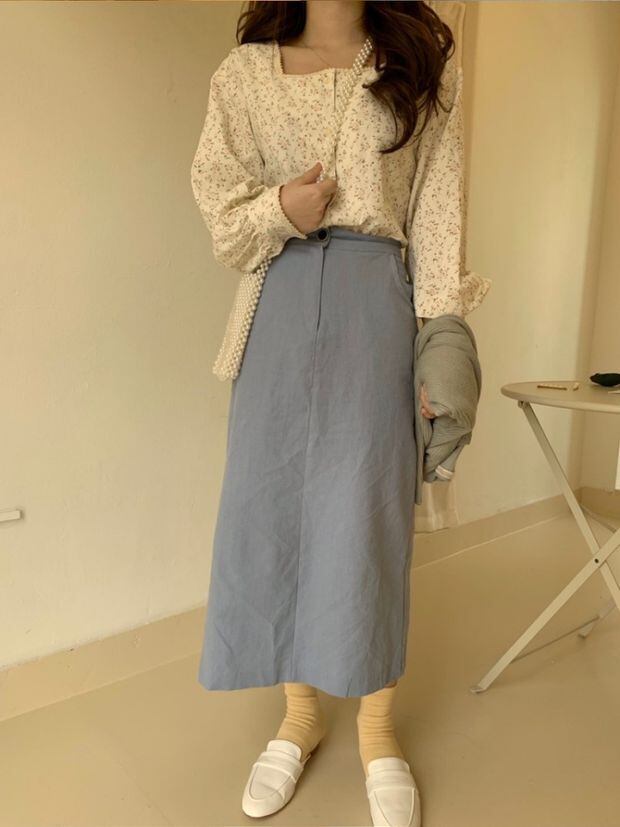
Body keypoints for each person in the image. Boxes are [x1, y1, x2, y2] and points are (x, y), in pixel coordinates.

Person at [190, 2, 491, 825]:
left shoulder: (420, 65)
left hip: (374, 306)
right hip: (275, 307)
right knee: (272, 511)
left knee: (365, 516)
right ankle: (299, 716)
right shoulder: (245, 73)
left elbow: (436, 216)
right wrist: (277, 212)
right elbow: (222, 216)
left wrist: (440, 337)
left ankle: (376, 727)